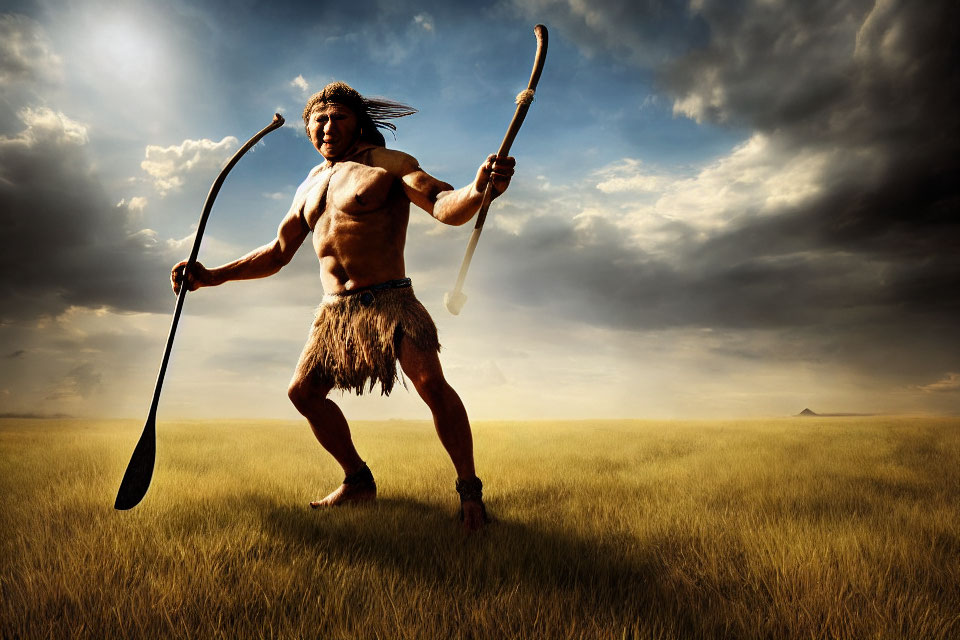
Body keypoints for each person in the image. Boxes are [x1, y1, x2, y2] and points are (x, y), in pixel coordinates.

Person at [171, 82, 514, 531]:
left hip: (391, 300)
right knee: (303, 393)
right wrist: (211, 275)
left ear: (359, 123)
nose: (327, 126)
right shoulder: (310, 185)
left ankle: (470, 493)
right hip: (334, 312)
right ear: (309, 128)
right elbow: (277, 251)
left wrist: (479, 189)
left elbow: (443, 204)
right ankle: (357, 481)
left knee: (430, 382)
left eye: (339, 118)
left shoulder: (389, 164)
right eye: (319, 119)